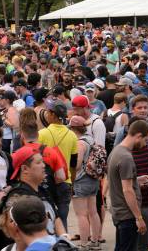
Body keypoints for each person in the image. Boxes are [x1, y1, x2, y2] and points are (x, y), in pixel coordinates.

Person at [107, 119, 148, 251]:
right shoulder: (126, 157)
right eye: (145, 140)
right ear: (138, 136)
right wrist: (139, 217)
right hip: (127, 215)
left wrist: (135, 181)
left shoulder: (116, 151)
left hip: (119, 214)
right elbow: (127, 190)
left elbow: (116, 181)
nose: (145, 145)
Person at [38, 99, 78, 230]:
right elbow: (73, 163)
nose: (46, 115)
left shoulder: (42, 134)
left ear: (53, 115)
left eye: (48, 112)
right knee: (62, 218)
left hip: (46, 182)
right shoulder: (72, 135)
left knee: (46, 218)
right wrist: (72, 182)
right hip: (64, 182)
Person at [69, 115, 101, 250]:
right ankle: (95, 241)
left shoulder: (80, 143)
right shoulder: (91, 139)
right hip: (93, 178)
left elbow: (76, 165)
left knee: (81, 214)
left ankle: (83, 244)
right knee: (93, 212)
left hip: (81, 180)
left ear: (73, 128)